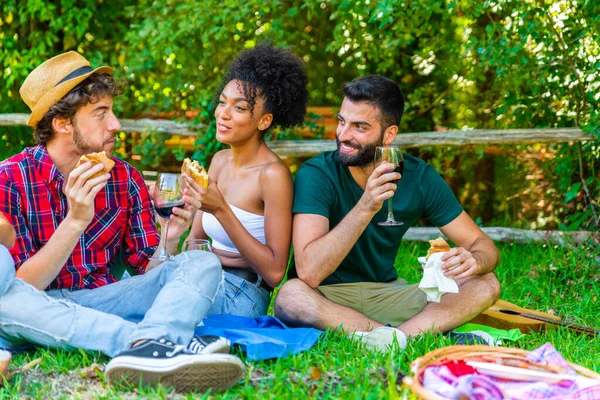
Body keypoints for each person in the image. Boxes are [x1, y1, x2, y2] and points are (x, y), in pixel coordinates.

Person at [0, 51, 244, 392]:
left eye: (112, 112)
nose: (115, 124)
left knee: (201, 262)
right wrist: (75, 220)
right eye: (101, 114)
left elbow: (149, 271)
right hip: (37, 308)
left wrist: (168, 238)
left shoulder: (123, 178)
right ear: (62, 123)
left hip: (103, 300)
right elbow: (20, 287)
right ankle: (156, 344)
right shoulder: (10, 179)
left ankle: (152, 344)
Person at [273, 75, 501, 351]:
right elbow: (308, 272)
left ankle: (390, 339)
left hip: (388, 294)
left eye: (360, 127)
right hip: (325, 296)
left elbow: (484, 246)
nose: (344, 134)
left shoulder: (420, 177)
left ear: (389, 134)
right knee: (290, 296)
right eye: (342, 121)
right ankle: (412, 335)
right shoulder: (317, 175)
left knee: (485, 283)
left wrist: (474, 260)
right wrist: (366, 206)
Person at [184, 43, 308, 317]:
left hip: (243, 293)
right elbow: (195, 243)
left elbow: (275, 273)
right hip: (203, 278)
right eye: (222, 102)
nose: (223, 114)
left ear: (264, 121)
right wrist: (174, 226)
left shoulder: (273, 176)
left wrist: (221, 209)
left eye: (239, 107)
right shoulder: (219, 161)